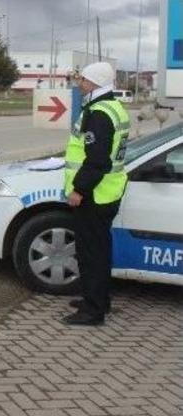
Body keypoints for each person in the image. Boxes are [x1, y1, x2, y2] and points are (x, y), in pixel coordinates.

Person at [62, 61, 130, 326]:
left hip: (95, 194)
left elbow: (97, 160)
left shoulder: (99, 114)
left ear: (95, 84)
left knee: (91, 252)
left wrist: (79, 190)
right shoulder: (113, 108)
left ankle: (92, 311)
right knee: (99, 249)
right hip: (108, 191)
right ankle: (98, 298)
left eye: (84, 81)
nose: (80, 84)